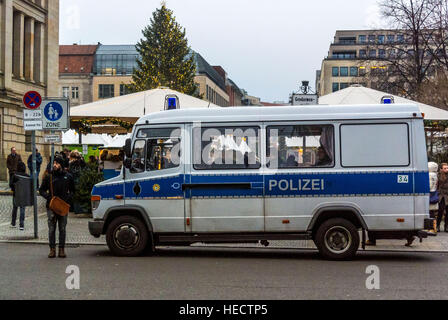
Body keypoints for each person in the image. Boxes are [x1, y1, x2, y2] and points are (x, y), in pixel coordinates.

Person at [39, 157, 75, 259]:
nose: (55, 165)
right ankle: (52, 249)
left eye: (57, 163)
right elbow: (41, 190)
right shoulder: (49, 177)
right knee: (51, 229)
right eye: (54, 163)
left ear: (61, 165)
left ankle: (61, 249)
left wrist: (68, 199)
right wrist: (49, 197)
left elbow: (73, 191)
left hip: (63, 207)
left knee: (62, 229)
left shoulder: (68, 177)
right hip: (51, 207)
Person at [9, 161, 29, 231]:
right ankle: (21, 225)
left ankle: (13, 223)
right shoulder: (27, 176)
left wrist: (14, 188)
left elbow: (11, 185)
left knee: (15, 208)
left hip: (16, 194)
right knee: (22, 209)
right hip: (23, 195)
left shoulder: (15, 175)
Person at [429, 162, 439, 233]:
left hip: (430, 195)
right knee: (432, 213)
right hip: (434, 194)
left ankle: (432, 228)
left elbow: (429, 186)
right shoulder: (435, 174)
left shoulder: (430, 175)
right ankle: (434, 228)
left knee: (430, 213)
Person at [437, 163, 448, 232]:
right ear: (441, 169)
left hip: (447, 195)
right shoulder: (438, 175)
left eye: (447, 168)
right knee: (440, 211)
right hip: (441, 195)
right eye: (445, 168)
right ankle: (437, 225)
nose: (447, 169)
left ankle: (446, 226)